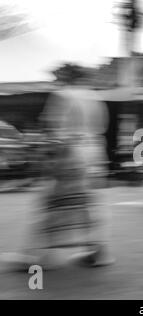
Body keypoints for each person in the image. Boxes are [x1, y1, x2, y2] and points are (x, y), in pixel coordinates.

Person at [2, 64, 115, 270]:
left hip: (70, 155)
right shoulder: (95, 98)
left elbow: (55, 132)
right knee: (85, 204)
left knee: (48, 202)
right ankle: (98, 252)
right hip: (94, 155)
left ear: (66, 77)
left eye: (57, 76)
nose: (56, 80)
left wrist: (48, 162)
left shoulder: (63, 95)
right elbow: (101, 129)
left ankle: (36, 256)